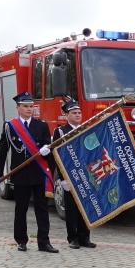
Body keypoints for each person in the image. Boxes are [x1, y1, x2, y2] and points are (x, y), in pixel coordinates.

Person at [0, 92, 58, 253]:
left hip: (38, 173)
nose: (29, 109)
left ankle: (44, 242)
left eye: (31, 106)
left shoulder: (41, 125)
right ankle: (21, 240)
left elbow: (48, 148)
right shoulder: (10, 126)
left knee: (42, 209)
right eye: (26, 106)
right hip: (20, 174)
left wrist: (46, 150)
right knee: (21, 209)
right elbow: (3, 150)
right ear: (18, 108)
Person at [52, 99, 96, 250]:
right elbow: (56, 156)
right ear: (66, 115)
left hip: (85, 174)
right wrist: (62, 179)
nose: (78, 115)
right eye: (74, 113)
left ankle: (85, 237)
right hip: (69, 175)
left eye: (79, 113)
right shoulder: (60, 132)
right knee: (71, 208)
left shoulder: (85, 129)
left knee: (86, 206)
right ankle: (73, 238)